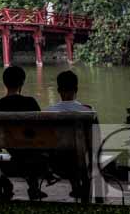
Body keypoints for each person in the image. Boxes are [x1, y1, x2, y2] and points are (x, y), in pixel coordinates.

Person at [0, 66, 47, 200]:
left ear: (4, 83)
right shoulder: (30, 103)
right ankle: (33, 187)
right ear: (22, 82)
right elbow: (40, 131)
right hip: (29, 159)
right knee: (32, 146)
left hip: (3, 160)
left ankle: (1, 183)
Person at [45, 70, 94, 198]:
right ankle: (82, 187)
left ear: (58, 90)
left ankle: (76, 186)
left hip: (56, 162)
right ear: (76, 89)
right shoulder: (87, 111)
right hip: (81, 160)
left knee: (66, 153)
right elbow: (94, 139)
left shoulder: (48, 112)